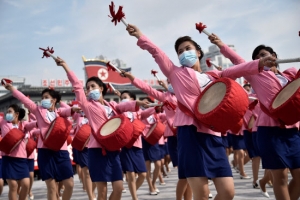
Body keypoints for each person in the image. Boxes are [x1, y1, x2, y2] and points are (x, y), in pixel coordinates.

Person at [124, 23, 276, 200]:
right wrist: (140, 36)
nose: (184, 53)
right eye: (180, 51)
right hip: (191, 135)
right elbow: (157, 52)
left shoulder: (213, 76)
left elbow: (236, 69)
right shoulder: (175, 73)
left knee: (228, 192)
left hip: (213, 134)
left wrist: (259, 63)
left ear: (198, 52)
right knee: (202, 194)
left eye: (188, 48)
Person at [55, 56, 148, 200]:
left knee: (118, 188)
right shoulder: (87, 106)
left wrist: (138, 103)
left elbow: (122, 106)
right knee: (102, 192)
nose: (90, 89)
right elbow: (77, 86)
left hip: (113, 150)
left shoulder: (111, 105)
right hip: (97, 151)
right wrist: (66, 66)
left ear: (101, 88)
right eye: (88, 88)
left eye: (93, 86)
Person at [244, 45, 300, 200]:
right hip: (269, 131)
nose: (260, 58)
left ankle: (262, 181)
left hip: (292, 130)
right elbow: (237, 61)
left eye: (263, 54)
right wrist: (221, 45)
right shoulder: (256, 77)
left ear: (274, 56)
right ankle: (259, 180)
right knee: (280, 177)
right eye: (257, 58)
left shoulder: (290, 76)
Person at [4, 85, 78, 200]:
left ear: (53, 100)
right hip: (45, 151)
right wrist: (12, 89)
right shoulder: (38, 110)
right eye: (42, 97)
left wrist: (73, 109)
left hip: (61, 152)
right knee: (52, 188)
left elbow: (67, 110)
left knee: (69, 184)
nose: (43, 99)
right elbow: (24, 99)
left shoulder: (60, 113)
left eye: (46, 97)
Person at [0, 105, 33, 200]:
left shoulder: (23, 125)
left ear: (17, 114)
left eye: (10, 112)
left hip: (22, 159)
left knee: (26, 184)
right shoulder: (3, 122)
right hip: (8, 159)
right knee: (13, 186)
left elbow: (36, 124)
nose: (7, 114)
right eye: (7, 112)